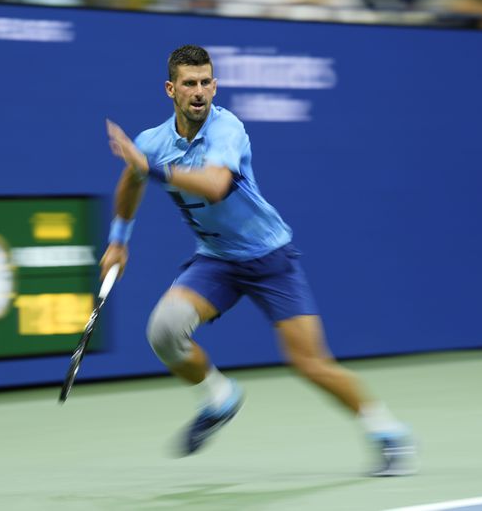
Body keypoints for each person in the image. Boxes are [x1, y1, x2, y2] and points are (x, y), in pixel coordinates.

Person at [100, 45, 416, 476]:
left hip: (271, 260)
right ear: (170, 89)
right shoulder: (152, 142)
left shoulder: (227, 127)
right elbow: (131, 181)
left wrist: (151, 169)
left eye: (206, 82)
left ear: (215, 86)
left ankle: (388, 433)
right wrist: (119, 239)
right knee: (164, 332)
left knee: (310, 364)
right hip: (216, 262)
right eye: (189, 84)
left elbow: (214, 186)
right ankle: (219, 397)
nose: (199, 92)